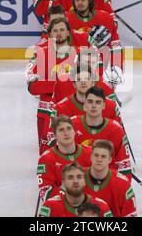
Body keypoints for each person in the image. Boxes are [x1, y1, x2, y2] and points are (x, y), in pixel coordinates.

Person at [26, 17, 91, 155]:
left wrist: (52, 82)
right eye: (55, 30)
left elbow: (91, 82)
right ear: (49, 34)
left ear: (68, 32)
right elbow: (32, 87)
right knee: (49, 155)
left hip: (76, 110)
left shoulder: (81, 53)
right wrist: (65, 82)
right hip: (47, 112)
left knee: (79, 154)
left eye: (62, 30)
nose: (59, 33)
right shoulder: (40, 53)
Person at [71, 86, 132, 178]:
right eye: (90, 102)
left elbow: (124, 166)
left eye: (98, 102)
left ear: (104, 105)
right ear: (84, 105)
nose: (94, 106)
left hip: (107, 184)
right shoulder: (71, 127)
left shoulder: (116, 130)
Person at [37, 115, 92, 202]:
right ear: (55, 136)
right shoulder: (46, 159)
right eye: (61, 130)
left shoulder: (90, 153)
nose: (66, 133)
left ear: (74, 132)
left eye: (69, 128)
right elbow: (46, 193)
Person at [84, 140, 137, 217]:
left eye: (103, 156)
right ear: (91, 157)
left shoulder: (122, 184)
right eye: (96, 155)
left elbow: (130, 215)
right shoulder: (77, 177)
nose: (99, 159)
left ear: (110, 159)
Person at [38, 162, 113, 217]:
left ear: (84, 180)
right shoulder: (50, 206)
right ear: (63, 182)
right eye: (70, 177)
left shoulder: (102, 206)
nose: (75, 181)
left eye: (79, 177)